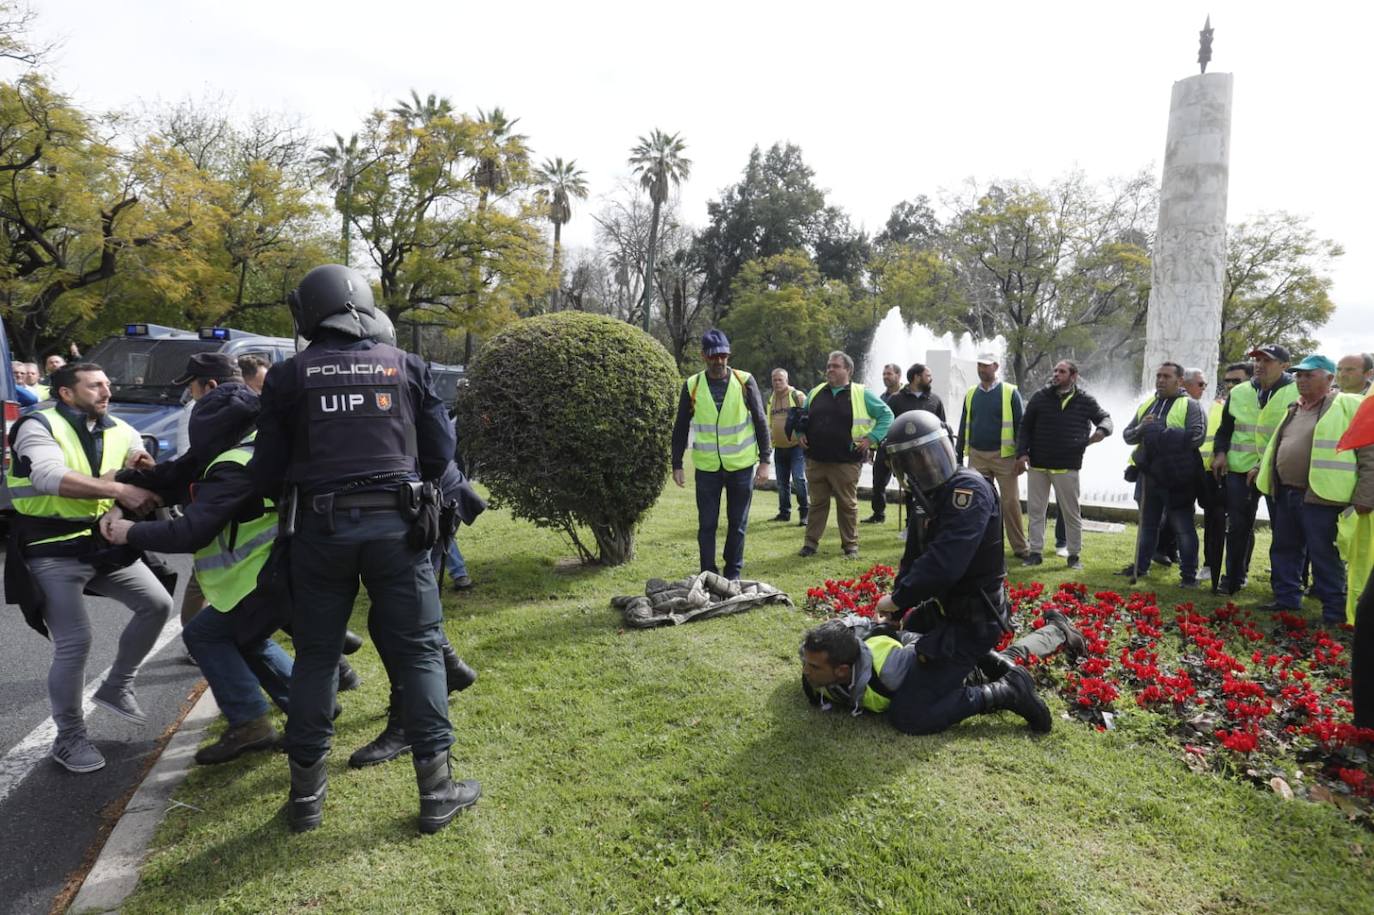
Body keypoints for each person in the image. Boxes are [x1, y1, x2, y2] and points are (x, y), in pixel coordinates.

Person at [250, 263, 479, 834]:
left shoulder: (288, 376)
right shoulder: (408, 366)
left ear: (308, 313)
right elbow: (439, 457)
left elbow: (266, 472)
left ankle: (306, 799)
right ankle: (437, 791)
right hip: (400, 531)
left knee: (317, 657)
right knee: (420, 653)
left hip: (319, 534)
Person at [103, 382, 296, 764]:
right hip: (280, 570)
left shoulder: (235, 466)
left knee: (204, 635)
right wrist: (121, 484)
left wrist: (130, 531)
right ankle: (310, 705)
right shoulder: (256, 443)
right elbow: (180, 472)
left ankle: (252, 724)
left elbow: (191, 531)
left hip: (267, 575)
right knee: (244, 637)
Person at [3, 363, 169, 774]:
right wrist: (119, 489)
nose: (106, 391)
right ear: (66, 393)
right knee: (75, 642)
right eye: (95, 386)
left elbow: (132, 479)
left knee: (158, 605)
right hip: (50, 548)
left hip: (100, 543)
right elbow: (48, 476)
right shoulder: (37, 425)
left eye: (107, 384)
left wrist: (120, 502)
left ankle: (117, 686)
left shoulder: (123, 430)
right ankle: (69, 737)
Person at [857, 409, 1052, 734]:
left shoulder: (969, 491)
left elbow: (944, 563)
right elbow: (913, 557)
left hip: (974, 619)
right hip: (944, 611)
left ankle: (1008, 691)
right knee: (906, 635)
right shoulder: (925, 496)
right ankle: (989, 663)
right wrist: (897, 611)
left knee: (909, 715)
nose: (924, 465)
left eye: (928, 454)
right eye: (912, 460)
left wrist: (898, 599)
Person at [801, 609, 1084, 719]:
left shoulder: (889, 670)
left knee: (1010, 658)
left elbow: (925, 645)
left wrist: (982, 659)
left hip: (949, 668)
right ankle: (1055, 630)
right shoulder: (817, 679)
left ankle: (1058, 630)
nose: (806, 671)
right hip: (922, 656)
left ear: (841, 670)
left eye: (814, 667)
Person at [1255, 355, 1368, 622]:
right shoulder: (1295, 408)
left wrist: (1365, 494)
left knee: (1323, 553)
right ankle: (1286, 599)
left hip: (1322, 497)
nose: (1301, 380)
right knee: (1284, 548)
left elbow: (1368, 454)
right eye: (1299, 375)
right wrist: (1262, 468)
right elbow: (1280, 445)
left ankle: (1333, 611)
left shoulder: (1346, 406)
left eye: (1309, 375)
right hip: (1287, 492)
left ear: (1329, 379)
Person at [671, 329, 771, 580]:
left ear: (729, 354)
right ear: (704, 356)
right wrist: (677, 463)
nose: (719, 361)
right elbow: (681, 426)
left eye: (723, 355)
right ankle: (708, 572)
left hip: (741, 466)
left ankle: (732, 573)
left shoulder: (744, 381)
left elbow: (760, 421)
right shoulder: (692, 385)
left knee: (737, 523)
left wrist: (765, 461)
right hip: (707, 468)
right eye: (713, 356)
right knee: (707, 524)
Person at [1212, 344, 1298, 595]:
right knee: (1238, 526)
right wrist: (1220, 453)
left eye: (1267, 361)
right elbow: (1225, 429)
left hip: (1278, 471)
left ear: (1284, 366)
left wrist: (1266, 465)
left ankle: (1285, 586)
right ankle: (1233, 578)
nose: (1259, 365)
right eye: (1257, 360)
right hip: (1240, 469)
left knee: (1284, 530)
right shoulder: (1239, 391)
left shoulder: (1297, 391)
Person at [1015, 359, 1112, 570]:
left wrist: (1102, 431)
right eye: (1055, 371)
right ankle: (1035, 553)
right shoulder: (1040, 397)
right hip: (1038, 465)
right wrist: (1021, 454)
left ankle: (1074, 555)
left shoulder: (1085, 400)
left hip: (1067, 465)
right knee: (1035, 511)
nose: (1056, 374)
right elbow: (1025, 427)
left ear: (1073, 376)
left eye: (1062, 371)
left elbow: (1105, 418)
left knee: (1071, 513)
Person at [797, 351, 893, 559]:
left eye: (835, 366)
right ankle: (810, 544)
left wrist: (872, 438)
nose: (830, 369)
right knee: (817, 504)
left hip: (846, 461)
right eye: (828, 366)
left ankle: (850, 546)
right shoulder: (815, 392)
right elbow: (801, 417)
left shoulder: (861, 393)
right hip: (816, 460)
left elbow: (887, 415)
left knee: (847, 505)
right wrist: (800, 433)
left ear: (848, 370)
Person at [1121, 362, 1207, 587]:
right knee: (1147, 525)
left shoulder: (1190, 405)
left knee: (1183, 528)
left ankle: (1189, 576)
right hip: (1149, 476)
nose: (1160, 380)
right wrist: (1142, 429)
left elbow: (1197, 437)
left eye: (1166, 376)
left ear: (1180, 381)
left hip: (1177, 477)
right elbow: (1127, 435)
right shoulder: (1148, 404)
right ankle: (1140, 567)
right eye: (1158, 375)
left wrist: (1161, 434)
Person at [955, 353, 1029, 561]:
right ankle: (977, 544)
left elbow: (1021, 425)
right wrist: (958, 455)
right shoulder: (971, 393)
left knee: (1010, 502)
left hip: (1004, 456)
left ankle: (1020, 547)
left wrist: (1022, 455)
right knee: (976, 503)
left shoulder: (1010, 392)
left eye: (986, 366)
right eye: (979, 365)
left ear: (996, 366)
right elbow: (964, 424)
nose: (981, 369)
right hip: (977, 456)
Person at [1181, 367, 1227, 585]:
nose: (1204, 389)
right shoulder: (1208, 406)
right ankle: (1171, 554)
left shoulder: (1220, 406)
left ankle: (1215, 566)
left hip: (1218, 472)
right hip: (1196, 469)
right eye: (1201, 384)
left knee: (1217, 519)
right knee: (1185, 513)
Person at [764, 368, 808, 526]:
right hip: (779, 448)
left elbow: (809, 417)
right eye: (774, 380)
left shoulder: (797, 396)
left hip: (796, 447)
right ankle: (784, 513)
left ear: (786, 380)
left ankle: (805, 513)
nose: (777, 383)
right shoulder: (772, 399)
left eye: (780, 380)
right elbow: (770, 422)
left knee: (798, 478)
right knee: (782, 483)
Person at [862, 363, 904, 525]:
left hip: (902, 447)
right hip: (884, 447)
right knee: (878, 482)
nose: (885, 377)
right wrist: (872, 447)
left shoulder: (906, 396)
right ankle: (878, 514)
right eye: (884, 374)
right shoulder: (881, 398)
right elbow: (875, 423)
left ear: (898, 376)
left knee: (909, 483)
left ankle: (911, 518)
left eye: (889, 374)